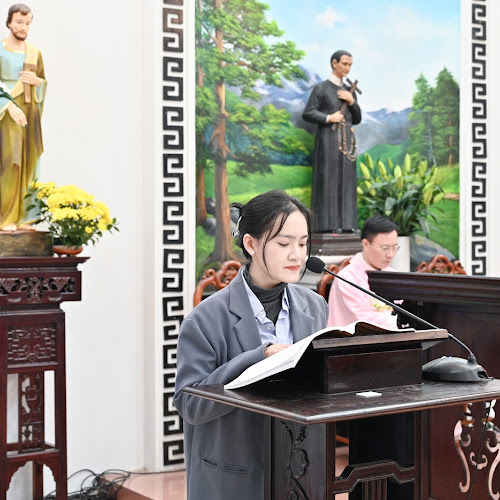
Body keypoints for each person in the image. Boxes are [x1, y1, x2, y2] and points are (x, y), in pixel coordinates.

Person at [174, 190, 328, 500]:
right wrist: (259, 358)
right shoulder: (205, 319)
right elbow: (189, 405)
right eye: (284, 244)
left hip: (298, 472)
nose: (297, 256)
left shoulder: (315, 306)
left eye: (302, 244)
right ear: (251, 244)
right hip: (236, 475)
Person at [302, 49, 361, 233]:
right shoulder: (321, 88)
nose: (348, 68)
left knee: (347, 180)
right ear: (334, 63)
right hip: (328, 139)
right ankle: (327, 226)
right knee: (329, 179)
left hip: (348, 140)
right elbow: (308, 113)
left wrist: (352, 102)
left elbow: (357, 119)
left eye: (350, 65)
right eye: (344, 64)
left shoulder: (350, 91)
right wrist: (329, 118)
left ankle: (348, 225)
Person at [0, 4, 46, 231]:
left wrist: (38, 82)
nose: (23, 27)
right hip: (8, 113)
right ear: (9, 22)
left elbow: (42, 81)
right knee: (11, 161)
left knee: (30, 162)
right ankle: (6, 217)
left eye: (27, 23)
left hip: (30, 113)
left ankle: (26, 217)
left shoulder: (34, 52)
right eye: (19, 22)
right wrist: (8, 106)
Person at [328, 215, 400, 329]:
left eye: (395, 247)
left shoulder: (394, 275)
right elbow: (364, 322)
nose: (390, 254)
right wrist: (403, 320)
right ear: (366, 244)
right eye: (385, 248)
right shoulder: (347, 279)